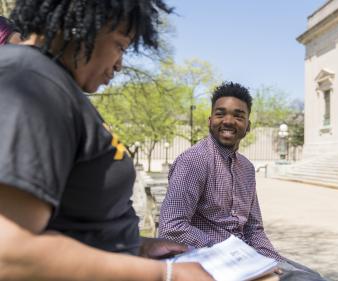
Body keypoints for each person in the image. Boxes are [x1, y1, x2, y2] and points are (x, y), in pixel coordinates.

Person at [0, 1, 213, 280]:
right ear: (82, 24)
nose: (120, 65)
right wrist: (165, 275)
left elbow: (77, 225)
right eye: (121, 46)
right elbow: (10, 254)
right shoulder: (31, 80)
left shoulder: (57, 84)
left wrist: (136, 247)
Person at [159, 81, 327, 281]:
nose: (228, 121)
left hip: (247, 259)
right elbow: (172, 227)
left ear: (248, 126)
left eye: (238, 116)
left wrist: (273, 261)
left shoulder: (246, 168)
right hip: (207, 261)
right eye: (221, 114)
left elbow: (253, 229)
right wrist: (226, 250)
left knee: (311, 275)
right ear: (210, 120)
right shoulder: (194, 161)